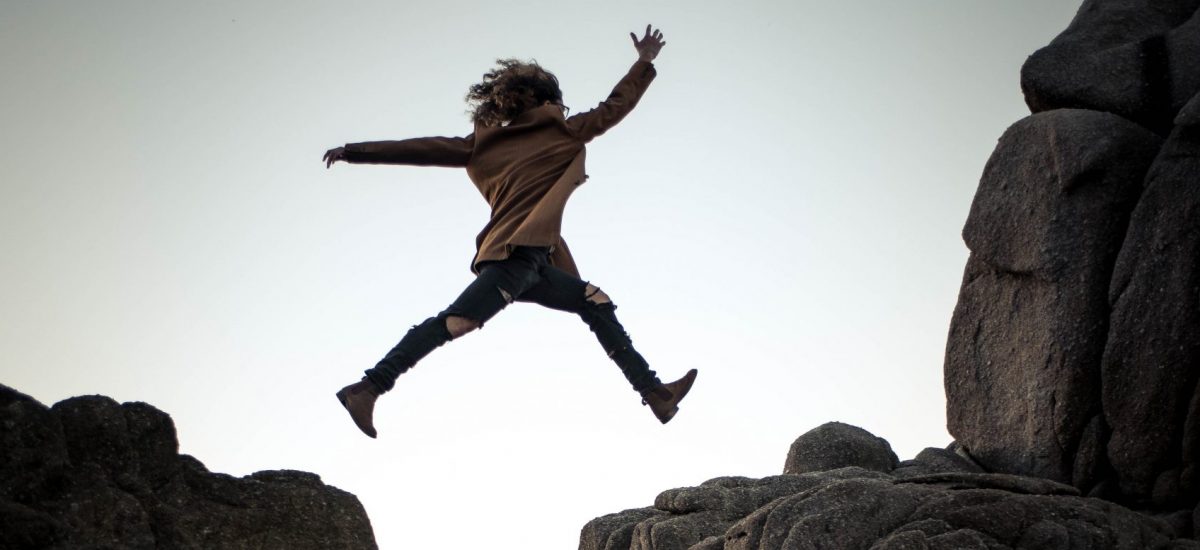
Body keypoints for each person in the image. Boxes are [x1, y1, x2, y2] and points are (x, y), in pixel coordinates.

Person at [323, 25, 696, 438]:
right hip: (513, 257)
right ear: (545, 100)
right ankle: (369, 387)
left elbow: (419, 147)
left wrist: (355, 152)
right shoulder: (562, 130)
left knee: (595, 302)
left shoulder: (481, 144)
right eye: (557, 99)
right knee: (458, 321)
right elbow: (615, 106)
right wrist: (643, 62)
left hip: (535, 260)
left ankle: (655, 393)